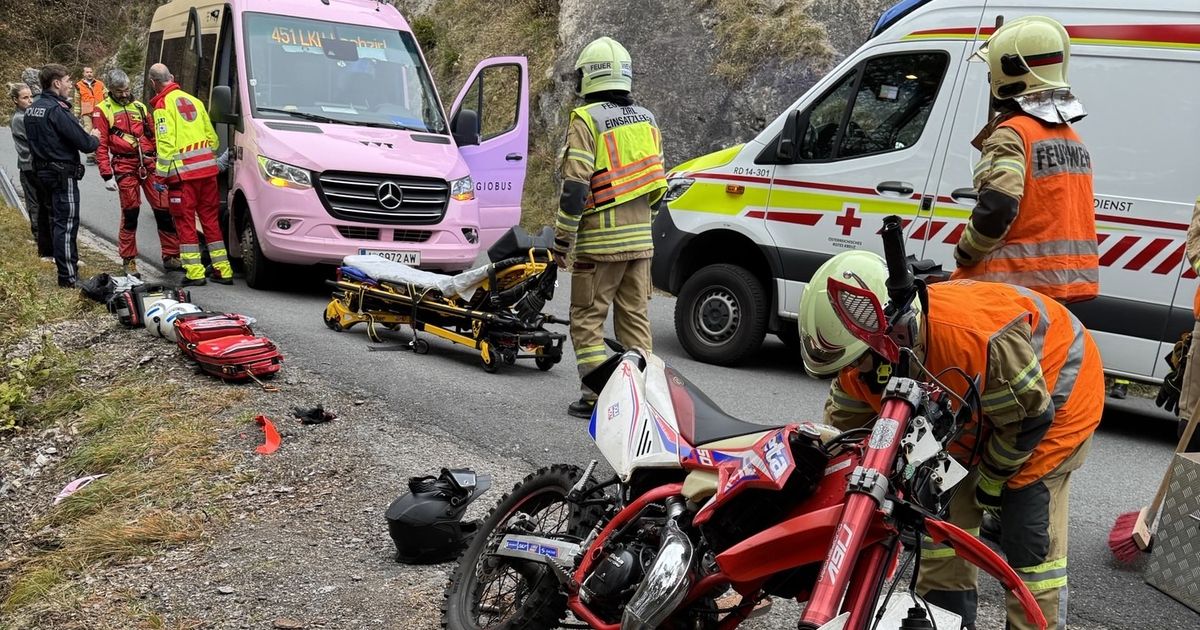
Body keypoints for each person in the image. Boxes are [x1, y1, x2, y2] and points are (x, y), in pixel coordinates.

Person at [799, 250, 1103, 630]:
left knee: (1028, 534)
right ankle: (949, 617)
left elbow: (1029, 418)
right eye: (845, 365)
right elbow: (847, 432)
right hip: (978, 408)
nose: (852, 372)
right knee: (938, 518)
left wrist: (992, 482)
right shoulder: (859, 357)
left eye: (857, 361)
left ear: (895, 331)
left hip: (1055, 399)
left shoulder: (974, 340)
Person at [549, 37, 667, 418]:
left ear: (589, 77)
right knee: (634, 321)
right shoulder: (646, 119)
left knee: (586, 319)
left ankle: (596, 397)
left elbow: (575, 188)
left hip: (600, 244)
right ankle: (642, 397)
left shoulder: (587, 120)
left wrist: (562, 241)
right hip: (640, 241)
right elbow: (656, 182)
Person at [951, 16, 1097, 305]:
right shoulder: (1072, 140)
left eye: (991, 72)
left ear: (1009, 73)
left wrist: (966, 252)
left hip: (1006, 289)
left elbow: (998, 206)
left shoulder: (1013, 134)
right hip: (1055, 289)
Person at [148, 63, 231, 286]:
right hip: (207, 173)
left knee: (185, 223)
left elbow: (165, 144)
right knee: (210, 221)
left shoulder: (163, 106)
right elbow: (212, 139)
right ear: (172, 77)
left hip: (183, 178)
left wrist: (160, 176)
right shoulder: (194, 101)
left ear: (153, 82)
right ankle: (223, 270)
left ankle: (195, 273)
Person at [93, 69, 181, 277]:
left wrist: (163, 162)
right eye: (118, 91)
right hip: (124, 166)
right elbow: (101, 144)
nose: (124, 95)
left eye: (126, 90)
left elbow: (155, 135)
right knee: (131, 213)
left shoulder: (140, 108)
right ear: (110, 90)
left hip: (149, 164)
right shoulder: (103, 110)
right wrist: (106, 174)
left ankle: (171, 255)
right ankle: (129, 259)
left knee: (164, 210)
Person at [22, 64, 100, 288]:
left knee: (54, 221)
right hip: (61, 175)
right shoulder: (57, 110)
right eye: (67, 80)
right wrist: (94, 137)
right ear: (56, 83)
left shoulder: (33, 109)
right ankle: (69, 277)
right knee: (66, 224)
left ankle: (67, 271)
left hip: (42, 172)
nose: (69, 85)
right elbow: (84, 143)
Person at [9, 82, 51, 259]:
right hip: (28, 167)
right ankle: (37, 236)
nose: (29, 100)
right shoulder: (19, 119)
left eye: (31, 96)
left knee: (42, 202)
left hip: (37, 165)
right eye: (25, 98)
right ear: (15, 100)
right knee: (34, 203)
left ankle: (44, 236)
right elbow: (34, 140)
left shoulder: (29, 114)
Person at [73, 66, 105, 164]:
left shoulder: (100, 84)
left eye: (91, 72)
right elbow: (77, 101)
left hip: (99, 111)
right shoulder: (79, 85)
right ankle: (90, 155)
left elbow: (107, 96)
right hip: (87, 111)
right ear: (83, 74)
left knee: (99, 131)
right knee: (88, 130)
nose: (89, 74)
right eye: (87, 72)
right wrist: (76, 114)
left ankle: (99, 153)